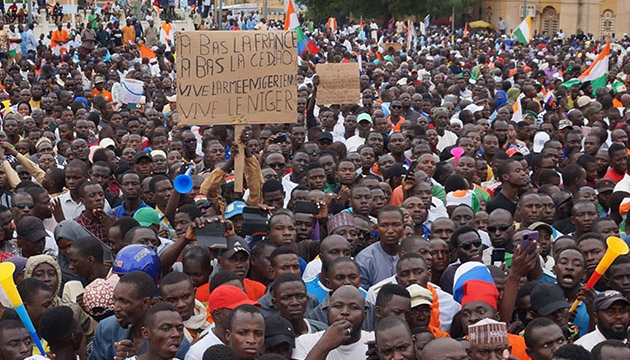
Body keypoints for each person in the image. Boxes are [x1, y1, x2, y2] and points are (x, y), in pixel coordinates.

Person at [89, 271, 190, 360]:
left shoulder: (177, 342)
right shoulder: (106, 328)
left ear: (145, 303)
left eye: (124, 301)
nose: (116, 308)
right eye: (115, 300)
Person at [293, 285, 374, 360]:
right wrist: (324, 345)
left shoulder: (374, 342)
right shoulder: (305, 342)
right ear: (328, 312)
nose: (345, 312)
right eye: (338, 306)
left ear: (365, 315)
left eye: (354, 307)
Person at [184, 285, 260, 360]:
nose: (244, 315)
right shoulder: (198, 353)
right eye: (237, 310)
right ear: (218, 315)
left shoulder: (250, 344)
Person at [159, 272, 210, 341]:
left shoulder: (212, 314)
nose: (181, 304)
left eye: (185, 297)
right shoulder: (160, 332)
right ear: (162, 301)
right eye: (172, 300)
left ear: (194, 293)